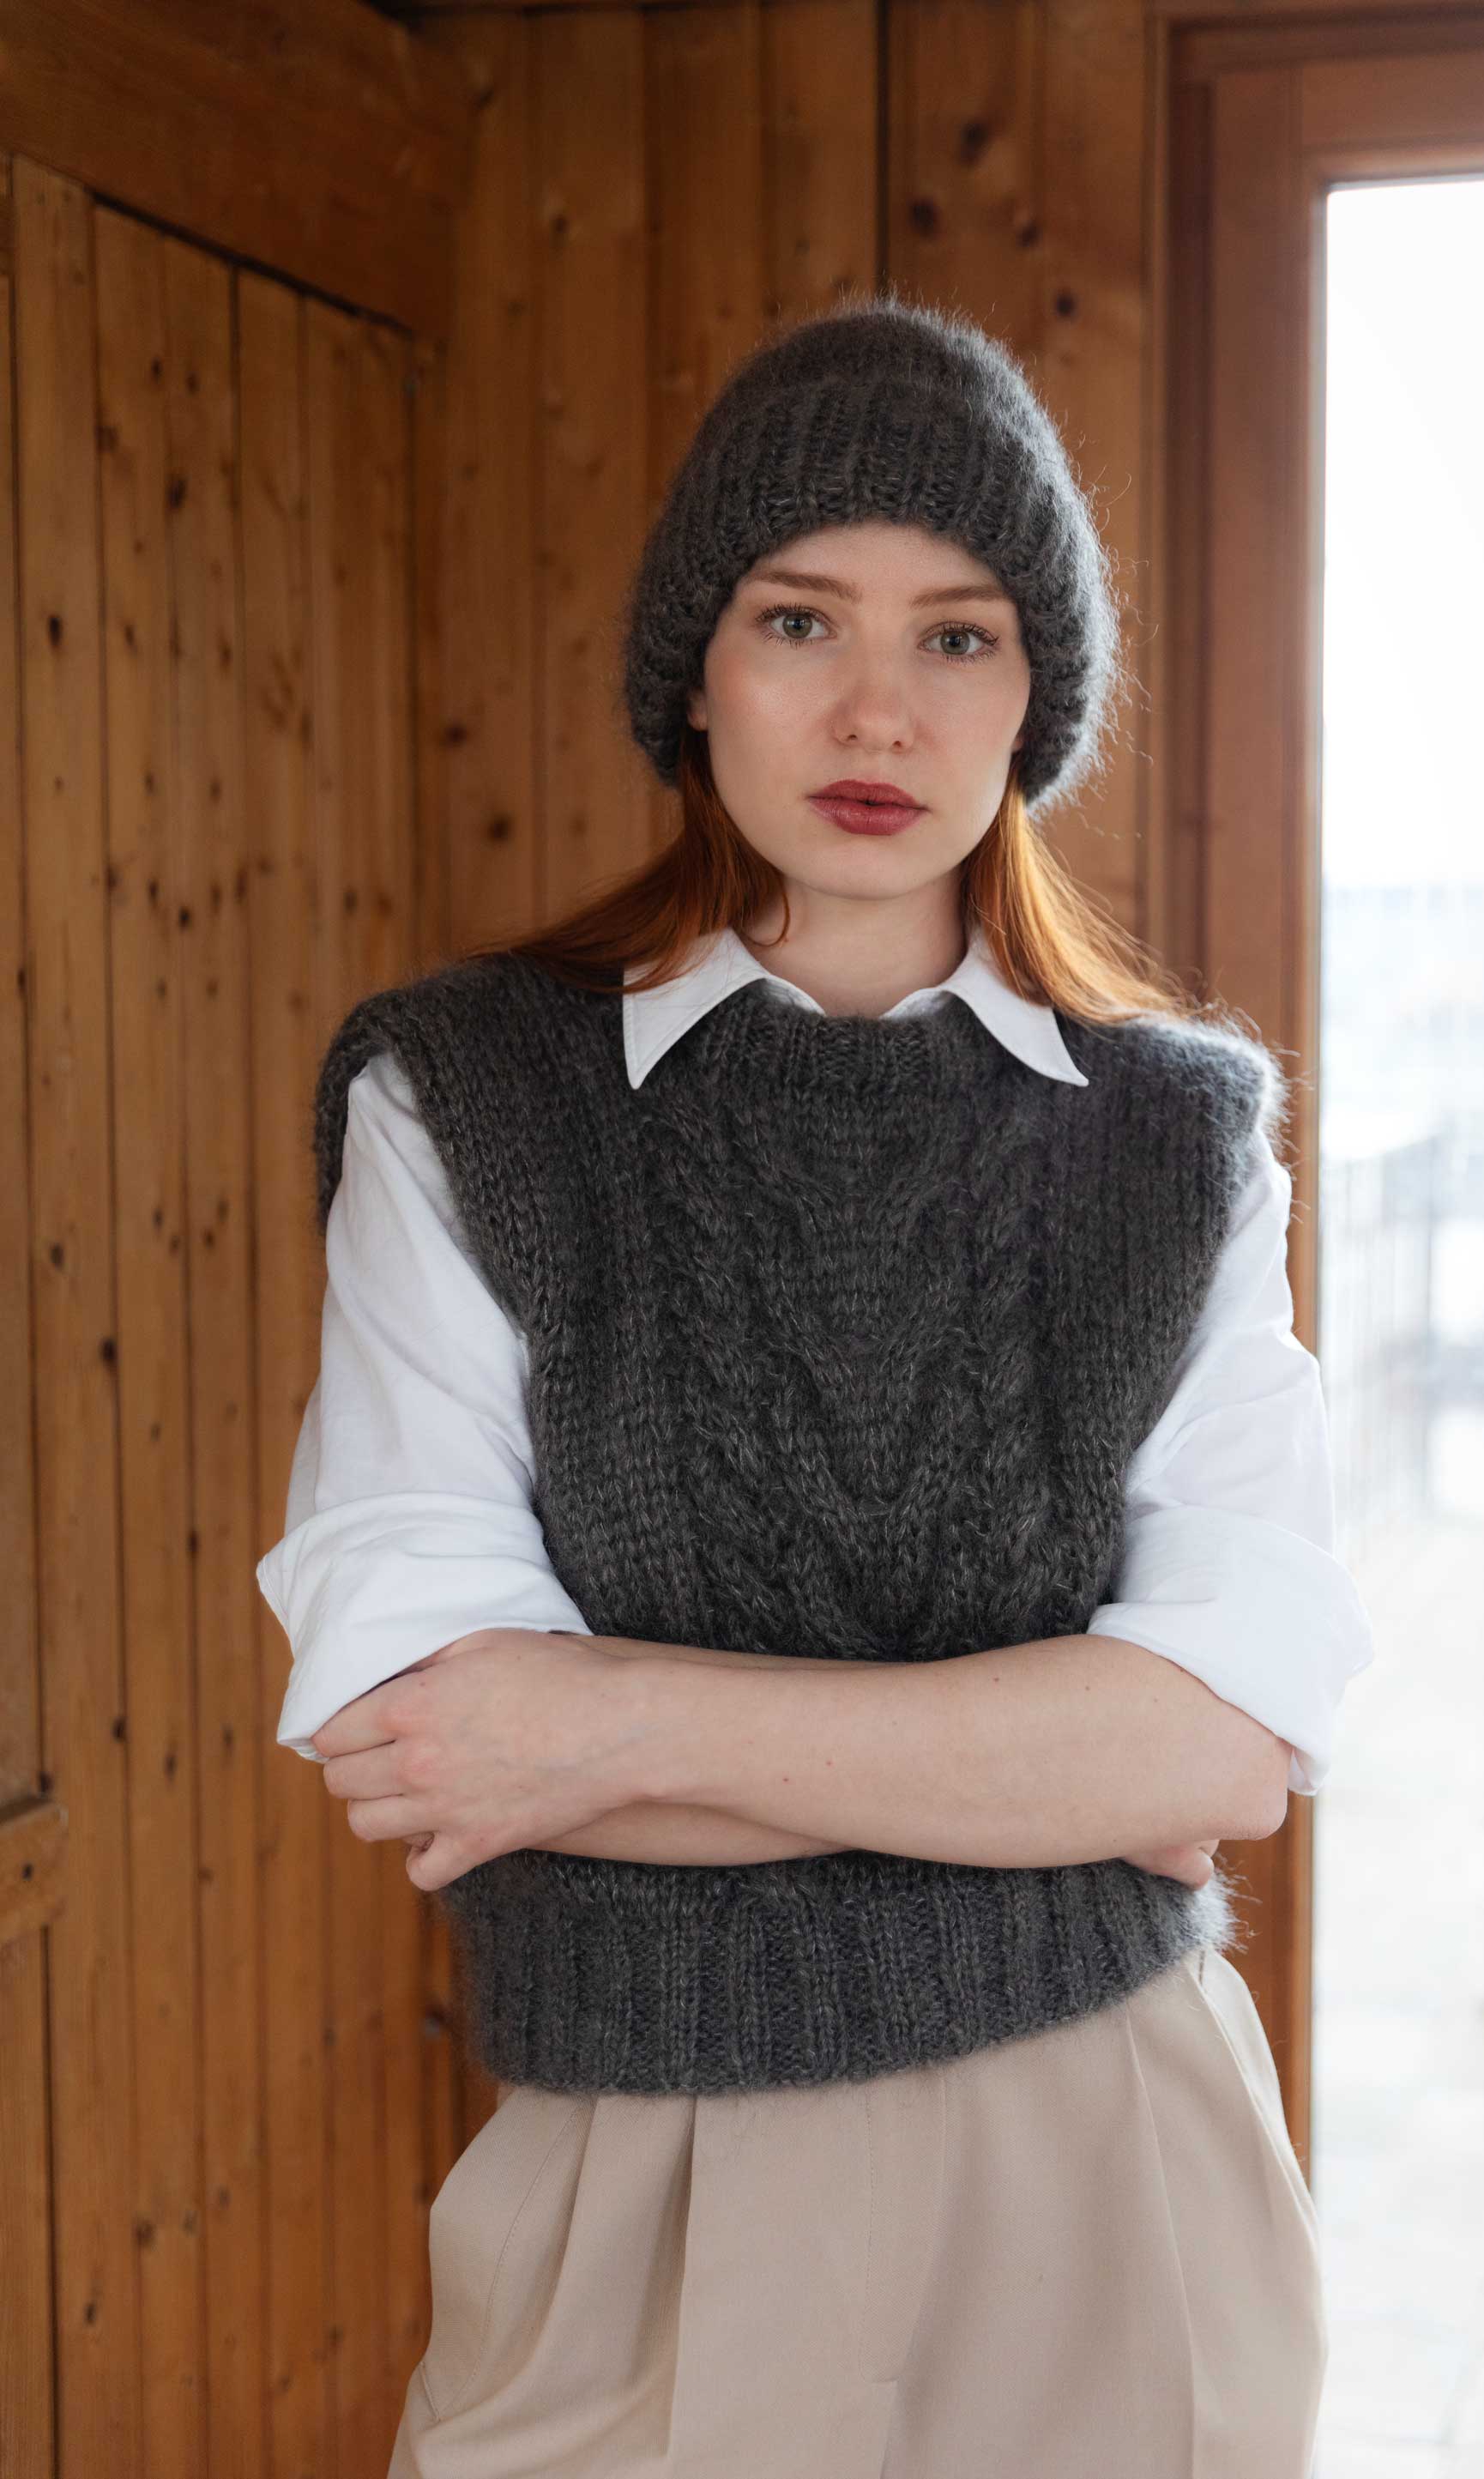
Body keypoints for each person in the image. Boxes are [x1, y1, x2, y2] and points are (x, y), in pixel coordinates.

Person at [256, 287, 1375, 2477]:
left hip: (1112, 2161)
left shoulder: (1173, 1136)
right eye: (800, 618)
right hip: (636, 2165)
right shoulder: (467, 1096)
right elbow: (422, 1718)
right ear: (699, 664)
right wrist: (1040, 1758)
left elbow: (1230, 1743)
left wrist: (613, 1719)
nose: (879, 703)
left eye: (960, 633)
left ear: (1037, 690)